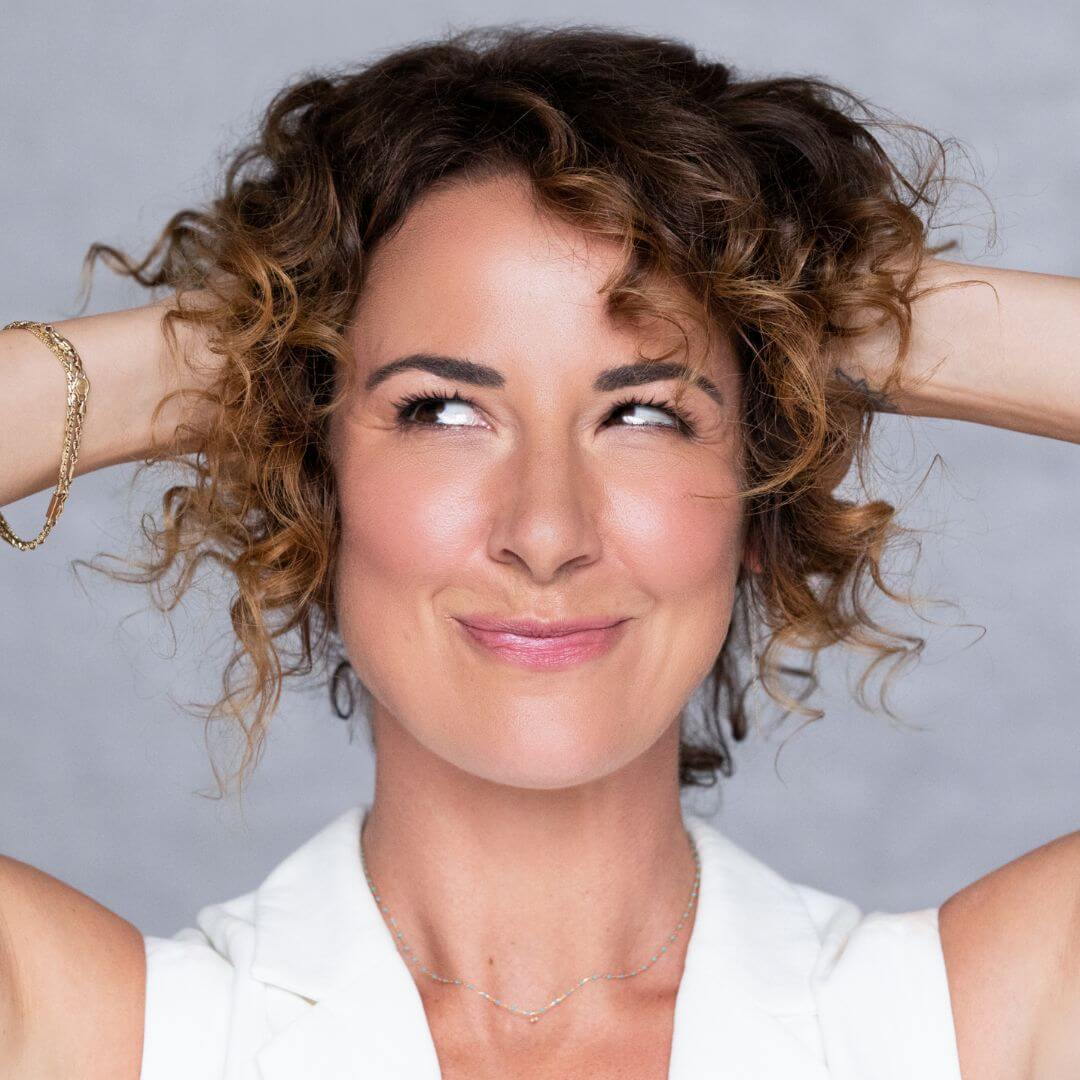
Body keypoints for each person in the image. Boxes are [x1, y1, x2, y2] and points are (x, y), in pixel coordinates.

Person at [0, 23, 1077, 1080]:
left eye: (647, 415)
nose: (548, 534)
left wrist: (834, 317)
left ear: (762, 495)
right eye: (440, 412)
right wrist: (257, 347)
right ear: (312, 486)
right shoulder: (110, 1038)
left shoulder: (962, 1028)